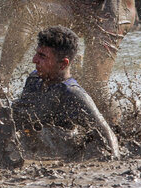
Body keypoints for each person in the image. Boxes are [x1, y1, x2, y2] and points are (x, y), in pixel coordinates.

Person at [0, 0, 136, 125]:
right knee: (30, 10)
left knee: (96, 86)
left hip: (113, 5)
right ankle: (1, 81)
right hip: (84, 0)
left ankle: (118, 130)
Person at [12, 26, 120, 159]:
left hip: (56, 155)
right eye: (36, 53)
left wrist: (114, 160)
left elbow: (107, 133)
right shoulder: (33, 79)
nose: (34, 60)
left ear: (63, 64)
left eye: (42, 56)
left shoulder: (73, 94)